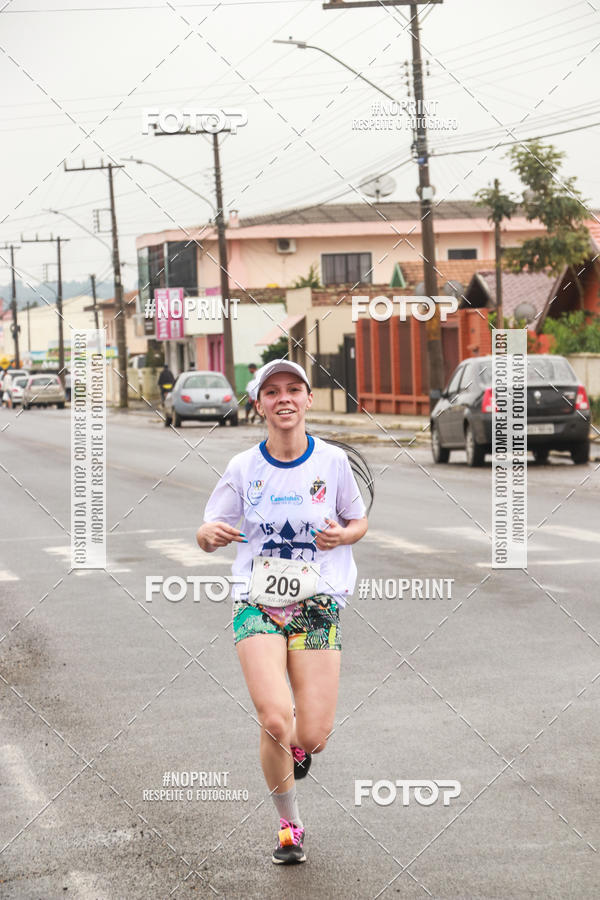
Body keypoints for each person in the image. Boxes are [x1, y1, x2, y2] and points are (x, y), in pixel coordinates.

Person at [196, 359, 370, 865]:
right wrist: (207, 535)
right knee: (275, 718)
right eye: (272, 392)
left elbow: (358, 521)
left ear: (309, 399)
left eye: (294, 389)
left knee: (312, 736)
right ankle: (289, 825)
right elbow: (207, 530)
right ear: (259, 405)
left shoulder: (332, 462)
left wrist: (344, 535)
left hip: (317, 604)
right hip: (257, 602)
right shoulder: (242, 468)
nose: (284, 398)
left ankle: (294, 748)